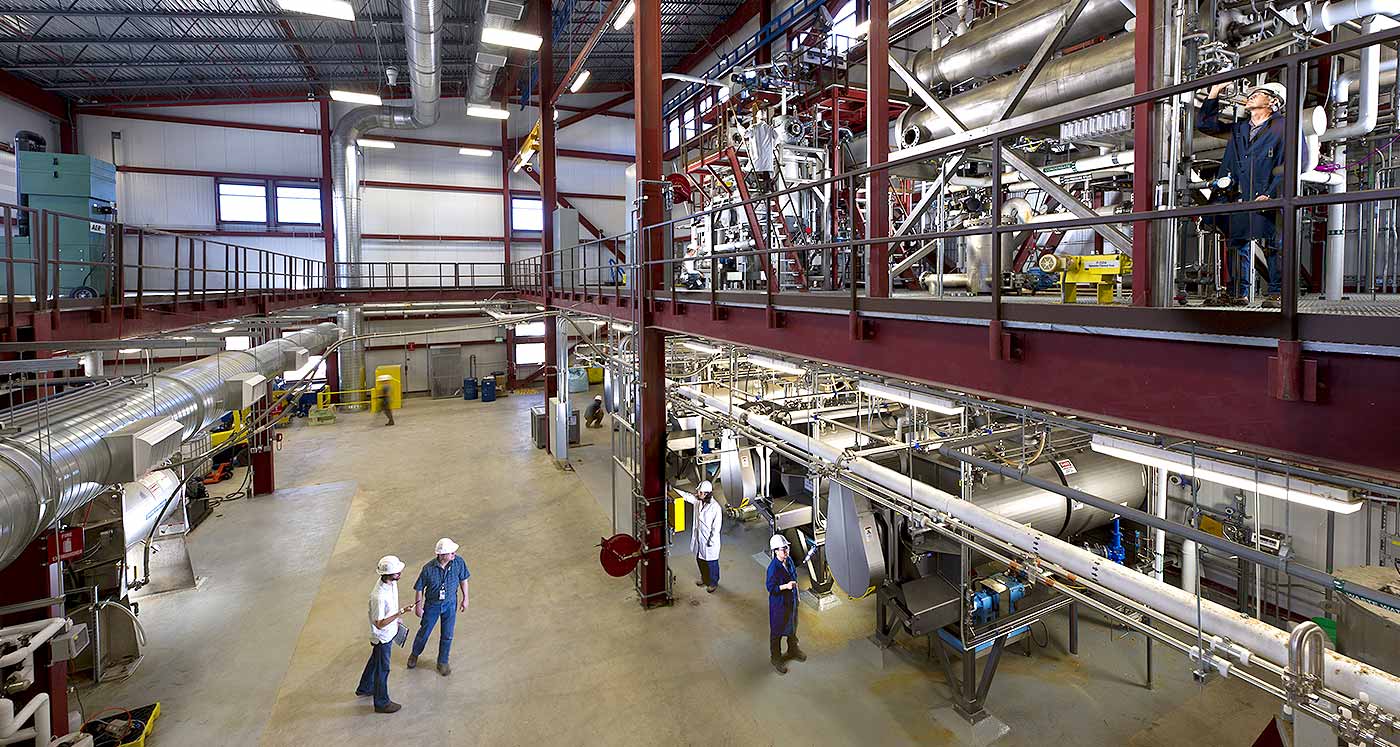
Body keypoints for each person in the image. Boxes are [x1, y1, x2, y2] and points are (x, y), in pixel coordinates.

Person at [1196, 80, 1287, 308]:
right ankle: (1238, 293)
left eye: (1258, 93)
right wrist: (1214, 91)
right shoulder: (1240, 128)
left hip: (1267, 193)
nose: (1251, 95)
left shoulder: (1284, 127)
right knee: (1237, 243)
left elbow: (1290, 164)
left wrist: (1271, 192)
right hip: (1237, 193)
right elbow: (1207, 126)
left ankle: (1276, 293)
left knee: (1273, 243)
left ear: (1273, 101)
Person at [357, 555, 413, 713]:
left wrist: (397, 618)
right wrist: (400, 612)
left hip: (389, 631)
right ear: (388, 574)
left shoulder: (391, 583)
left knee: (375, 661)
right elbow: (379, 623)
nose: (400, 574)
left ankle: (365, 687)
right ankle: (381, 703)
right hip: (383, 637)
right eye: (397, 573)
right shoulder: (378, 597)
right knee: (383, 669)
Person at [409, 537, 471, 676]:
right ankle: (415, 654)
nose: (454, 555)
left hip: (450, 604)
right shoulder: (428, 569)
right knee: (424, 632)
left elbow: (463, 580)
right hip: (432, 606)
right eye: (451, 553)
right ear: (442, 555)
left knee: (447, 634)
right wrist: (419, 606)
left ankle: (442, 661)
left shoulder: (458, 562)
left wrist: (465, 598)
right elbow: (419, 588)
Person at [765, 534, 805, 674]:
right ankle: (775, 658)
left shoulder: (789, 561)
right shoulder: (773, 568)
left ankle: (793, 649)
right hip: (779, 604)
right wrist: (786, 587)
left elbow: (795, 578)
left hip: (791, 601)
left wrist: (797, 596)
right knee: (777, 631)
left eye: (786, 548)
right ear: (775, 551)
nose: (786, 551)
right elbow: (771, 588)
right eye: (783, 549)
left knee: (792, 626)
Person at [677, 480, 722, 593]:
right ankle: (704, 579)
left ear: (707, 493)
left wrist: (710, 541)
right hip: (699, 538)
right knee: (700, 560)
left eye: (700, 492)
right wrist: (672, 489)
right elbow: (686, 496)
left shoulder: (715, 508)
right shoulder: (698, 501)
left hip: (709, 541)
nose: (698, 494)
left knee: (711, 563)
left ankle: (713, 583)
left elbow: (716, 528)